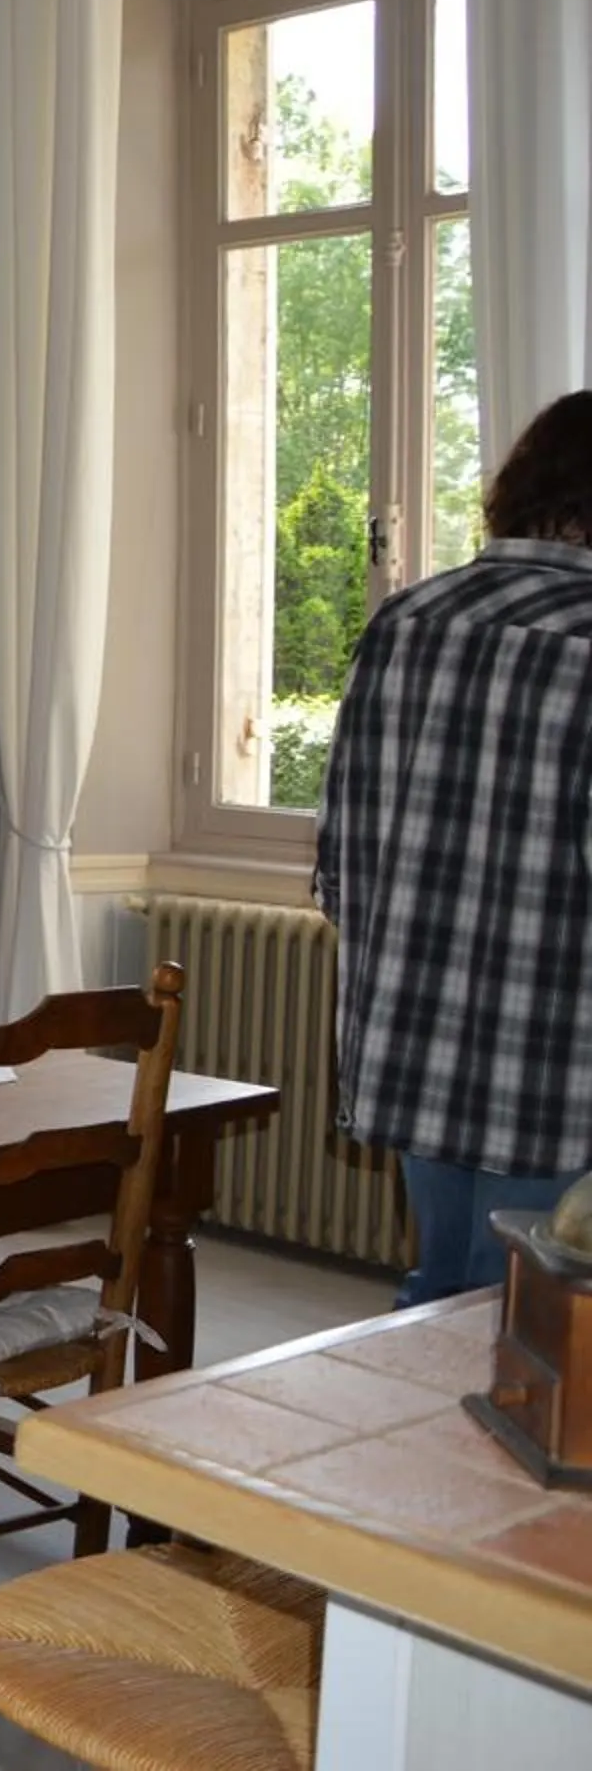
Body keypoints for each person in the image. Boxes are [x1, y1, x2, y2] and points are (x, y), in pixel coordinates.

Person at [315, 390, 592, 1306]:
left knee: (446, 1296)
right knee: (544, 1333)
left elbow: (342, 858)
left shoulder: (406, 621)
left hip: (415, 1036)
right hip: (562, 1059)